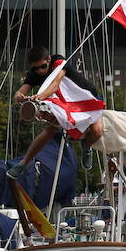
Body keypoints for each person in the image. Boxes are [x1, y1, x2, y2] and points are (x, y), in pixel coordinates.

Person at [8, 45, 106, 178]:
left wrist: (39, 96)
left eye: (43, 66)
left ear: (49, 60)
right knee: (49, 131)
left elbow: (55, 85)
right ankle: (23, 163)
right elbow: (19, 92)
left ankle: (87, 146)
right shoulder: (33, 74)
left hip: (86, 99)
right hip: (63, 104)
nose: (40, 71)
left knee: (97, 131)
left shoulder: (59, 62)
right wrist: (19, 96)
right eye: (36, 68)